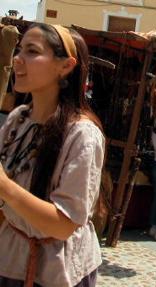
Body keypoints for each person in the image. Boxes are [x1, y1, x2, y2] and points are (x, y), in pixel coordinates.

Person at [0, 23, 104, 286]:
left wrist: (4, 187)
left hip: (56, 273)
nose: (17, 59)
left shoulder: (82, 134)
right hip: (9, 260)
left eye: (32, 51)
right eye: (19, 49)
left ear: (65, 66)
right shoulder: (18, 120)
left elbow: (63, 225)